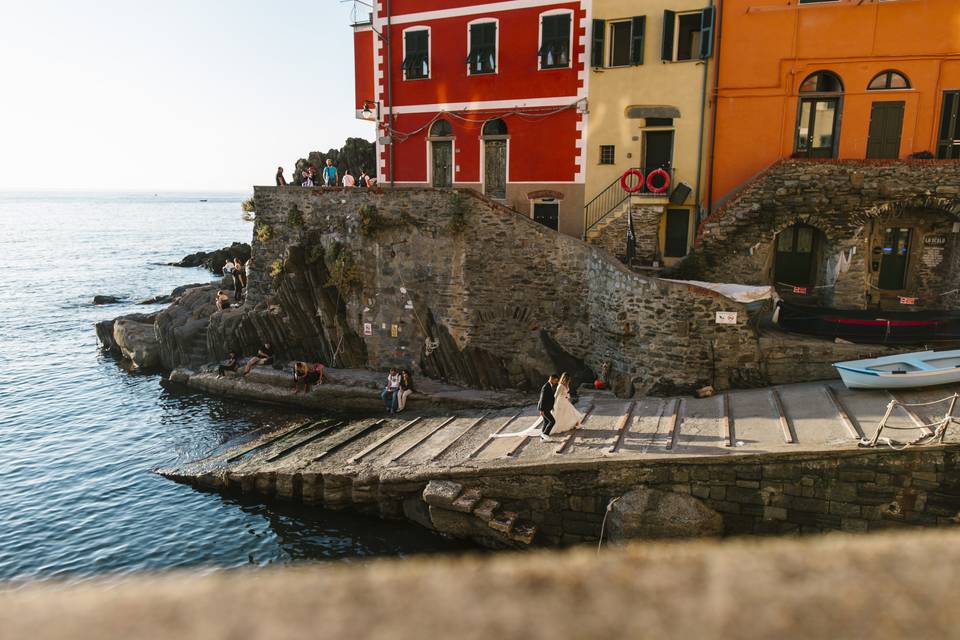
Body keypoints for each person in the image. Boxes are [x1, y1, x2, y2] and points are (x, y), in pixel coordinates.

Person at [551, 372, 584, 436]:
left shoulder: (566, 385)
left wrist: (568, 397)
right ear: (565, 379)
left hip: (565, 401)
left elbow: (565, 393)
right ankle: (565, 426)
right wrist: (553, 404)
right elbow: (556, 395)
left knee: (572, 412)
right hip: (560, 402)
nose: (569, 380)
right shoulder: (560, 386)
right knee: (561, 415)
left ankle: (575, 424)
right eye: (568, 379)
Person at [538, 374, 559, 441]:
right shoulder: (546, 387)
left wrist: (552, 406)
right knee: (552, 421)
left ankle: (542, 438)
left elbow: (549, 398)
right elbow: (542, 399)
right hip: (544, 408)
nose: (556, 382)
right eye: (555, 381)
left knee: (546, 422)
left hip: (546, 407)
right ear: (551, 379)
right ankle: (545, 434)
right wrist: (541, 410)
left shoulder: (549, 385)